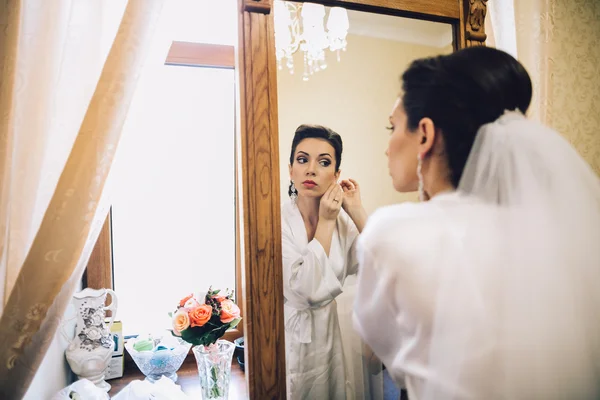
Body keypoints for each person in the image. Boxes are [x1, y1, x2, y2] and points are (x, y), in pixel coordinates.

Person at [353, 46, 600, 400]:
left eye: (393, 127)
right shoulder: (554, 235)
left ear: (424, 134)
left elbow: (377, 352)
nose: (387, 147)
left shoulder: (394, 232)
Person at [282, 124, 380, 400]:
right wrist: (325, 220)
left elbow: (384, 265)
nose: (311, 169)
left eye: (323, 162)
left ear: (336, 175)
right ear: (291, 169)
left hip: (333, 339)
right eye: (302, 160)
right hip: (292, 342)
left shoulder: (343, 222)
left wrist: (357, 210)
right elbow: (306, 291)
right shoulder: (277, 222)